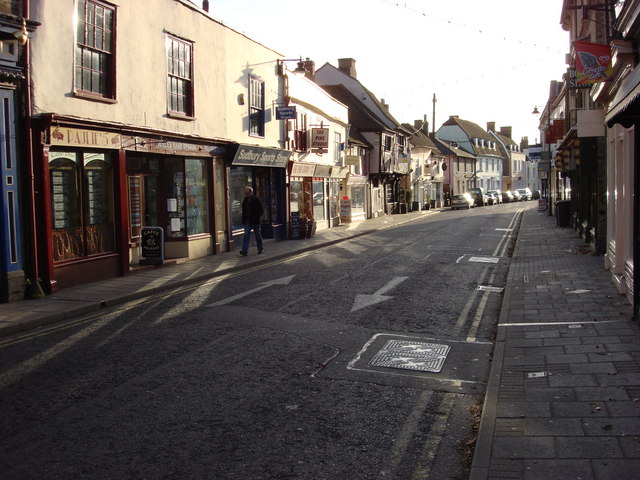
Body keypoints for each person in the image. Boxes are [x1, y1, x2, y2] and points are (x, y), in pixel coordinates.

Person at [239, 186, 264, 256]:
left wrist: (256, 217)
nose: (246, 195)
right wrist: (243, 219)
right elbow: (244, 211)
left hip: (255, 221)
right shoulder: (245, 200)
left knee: (257, 235)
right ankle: (244, 251)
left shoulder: (256, 200)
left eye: (247, 193)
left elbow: (261, 210)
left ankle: (260, 248)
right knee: (246, 235)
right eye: (245, 193)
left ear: (251, 193)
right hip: (248, 220)